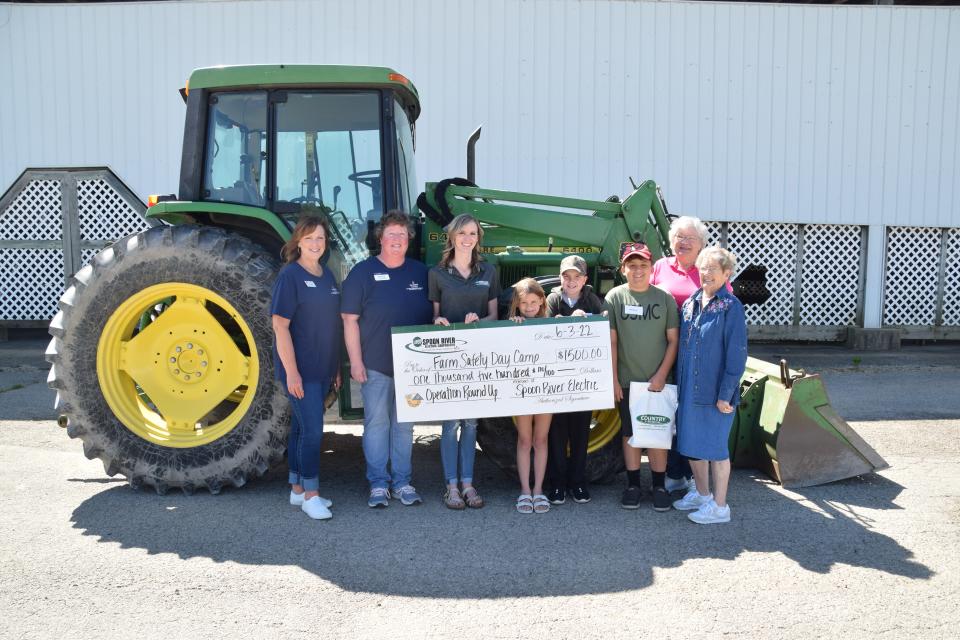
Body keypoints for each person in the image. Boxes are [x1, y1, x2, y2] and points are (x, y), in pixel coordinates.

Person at [341, 210, 433, 508]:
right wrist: (356, 361)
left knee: (405, 427)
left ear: (409, 240)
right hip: (376, 366)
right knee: (377, 424)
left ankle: (403, 482)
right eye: (391, 234)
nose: (397, 240)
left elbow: (435, 315)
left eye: (402, 235)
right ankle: (378, 483)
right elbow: (349, 320)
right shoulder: (362, 272)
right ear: (380, 238)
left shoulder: (420, 273)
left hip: (411, 369)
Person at [649, 216, 728, 493]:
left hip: (697, 355)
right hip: (662, 350)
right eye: (678, 237)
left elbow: (724, 310)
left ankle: (696, 479)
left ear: (701, 244)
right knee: (667, 412)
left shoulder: (707, 271)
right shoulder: (659, 267)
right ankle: (673, 471)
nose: (682, 243)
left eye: (689, 238)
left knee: (691, 414)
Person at [271, 215, 342, 521]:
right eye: (309, 238)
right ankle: (312, 494)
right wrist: (292, 373)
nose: (315, 244)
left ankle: (297, 490)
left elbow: (330, 325)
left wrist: (336, 366)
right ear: (298, 242)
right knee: (313, 431)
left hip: (323, 367)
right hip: (301, 370)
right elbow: (280, 326)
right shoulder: (290, 277)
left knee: (301, 428)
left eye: (320, 239)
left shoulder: (326, 276)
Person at [429, 214, 500, 510]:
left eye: (473, 233)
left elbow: (495, 315)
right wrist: (439, 321)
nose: (467, 238)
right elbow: (433, 316)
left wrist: (478, 321)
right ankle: (451, 487)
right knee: (449, 424)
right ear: (452, 237)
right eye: (462, 233)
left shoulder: (489, 271)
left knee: (470, 423)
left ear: (478, 237)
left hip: (477, 356)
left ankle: (468, 484)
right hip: (448, 357)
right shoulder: (437, 273)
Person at [672, 247, 748, 524]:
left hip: (717, 393)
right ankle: (703, 495)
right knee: (692, 446)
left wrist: (726, 393)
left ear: (727, 274)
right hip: (689, 390)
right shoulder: (691, 302)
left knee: (716, 450)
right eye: (703, 268)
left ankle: (720, 507)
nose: (706, 273)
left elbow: (736, 353)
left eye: (713, 269)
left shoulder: (731, 307)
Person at [604, 242, 679, 512]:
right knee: (631, 433)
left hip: (658, 381)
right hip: (627, 380)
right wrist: (613, 379)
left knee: (658, 431)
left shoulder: (664, 299)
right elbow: (611, 342)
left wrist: (660, 375)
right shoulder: (615, 298)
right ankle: (633, 484)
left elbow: (673, 340)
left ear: (651, 267)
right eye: (632, 265)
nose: (638, 270)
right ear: (623, 269)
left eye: (643, 265)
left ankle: (658, 485)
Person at [544, 255, 605, 505]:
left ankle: (578, 483)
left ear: (584, 279)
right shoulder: (553, 299)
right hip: (557, 379)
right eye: (566, 276)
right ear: (560, 278)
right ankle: (557, 484)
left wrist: (587, 317)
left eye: (576, 277)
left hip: (582, 379)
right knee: (557, 433)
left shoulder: (591, 298)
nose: (571, 281)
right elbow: (542, 326)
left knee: (581, 433)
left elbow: (603, 322)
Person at [508, 278, 552, 514]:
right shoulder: (512, 324)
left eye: (533, 302)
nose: (528, 307)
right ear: (517, 304)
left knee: (540, 440)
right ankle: (525, 490)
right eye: (523, 303)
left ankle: (538, 490)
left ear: (542, 301)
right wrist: (513, 325)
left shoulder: (550, 324)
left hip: (545, 390)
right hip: (522, 389)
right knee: (524, 440)